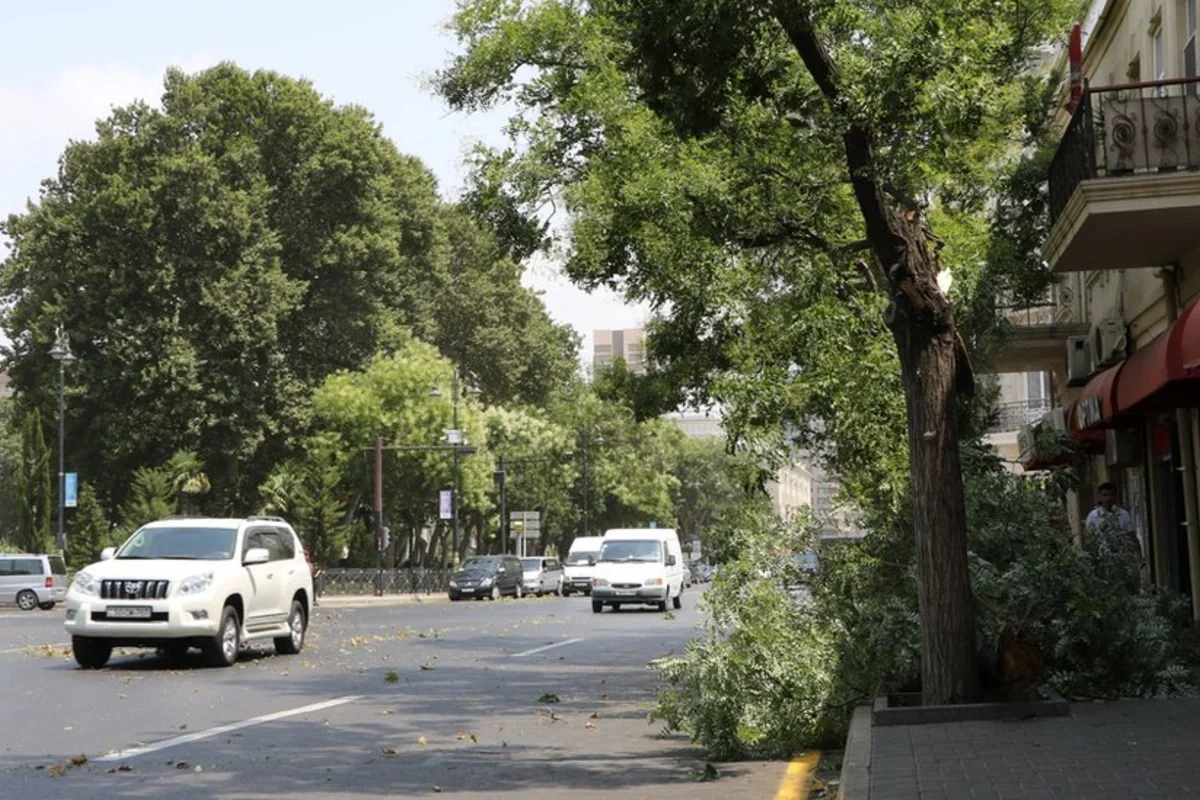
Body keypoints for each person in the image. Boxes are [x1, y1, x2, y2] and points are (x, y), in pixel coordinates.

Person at [1085, 482, 1143, 584]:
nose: (1108, 498)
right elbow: (1089, 539)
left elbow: (1131, 536)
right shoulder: (1093, 517)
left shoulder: (1123, 515)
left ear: (1115, 496)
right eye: (1105, 495)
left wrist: (1138, 556)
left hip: (1122, 561)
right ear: (1100, 497)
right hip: (1102, 561)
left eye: (1111, 495)